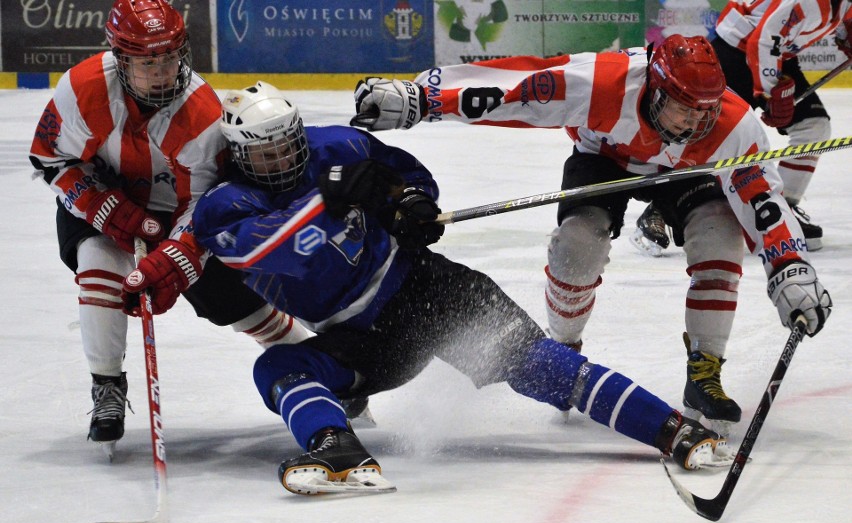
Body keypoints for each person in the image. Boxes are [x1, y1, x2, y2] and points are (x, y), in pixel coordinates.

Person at [192, 81, 734, 495]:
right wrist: (328, 199)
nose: (284, 160)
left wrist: (410, 205)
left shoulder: (337, 146)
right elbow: (278, 249)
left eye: (288, 146)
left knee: (539, 365)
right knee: (278, 368)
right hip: (361, 340)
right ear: (239, 155)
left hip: (424, 288)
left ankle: (674, 431)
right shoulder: (223, 209)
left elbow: (413, 180)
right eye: (267, 154)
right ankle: (339, 452)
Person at [348, 34, 833, 434]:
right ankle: (564, 346)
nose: (693, 121)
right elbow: (511, 88)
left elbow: (762, 203)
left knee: (721, 240)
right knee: (576, 248)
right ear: (655, 90)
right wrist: (423, 97)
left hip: (690, 172)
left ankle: (704, 372)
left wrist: (790, 268)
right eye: (682, 109)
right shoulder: (605, 82)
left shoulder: (730, 126)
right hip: (606, 158)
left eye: (703, 111)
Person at [28, 0, 307, 457]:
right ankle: (107, 387)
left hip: (180, 218)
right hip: (105, 199)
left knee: (240, 308)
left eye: (170, 58)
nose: (163, 72)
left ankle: (322, 366)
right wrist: (107, 209)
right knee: (98, 262)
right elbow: (51, 159)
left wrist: (172, 260)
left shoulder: (202, 115)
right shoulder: (82, 90)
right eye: (148, 62)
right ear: (121, 59)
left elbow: (204, 208)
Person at [633, 0, 852, 254]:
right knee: (707, 141)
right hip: (736, 54)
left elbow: (838, 18)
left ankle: (785, 207)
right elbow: (764, 37)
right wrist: (770, 94)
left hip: (774, 55)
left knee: (813, 126)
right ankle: (658, 211)